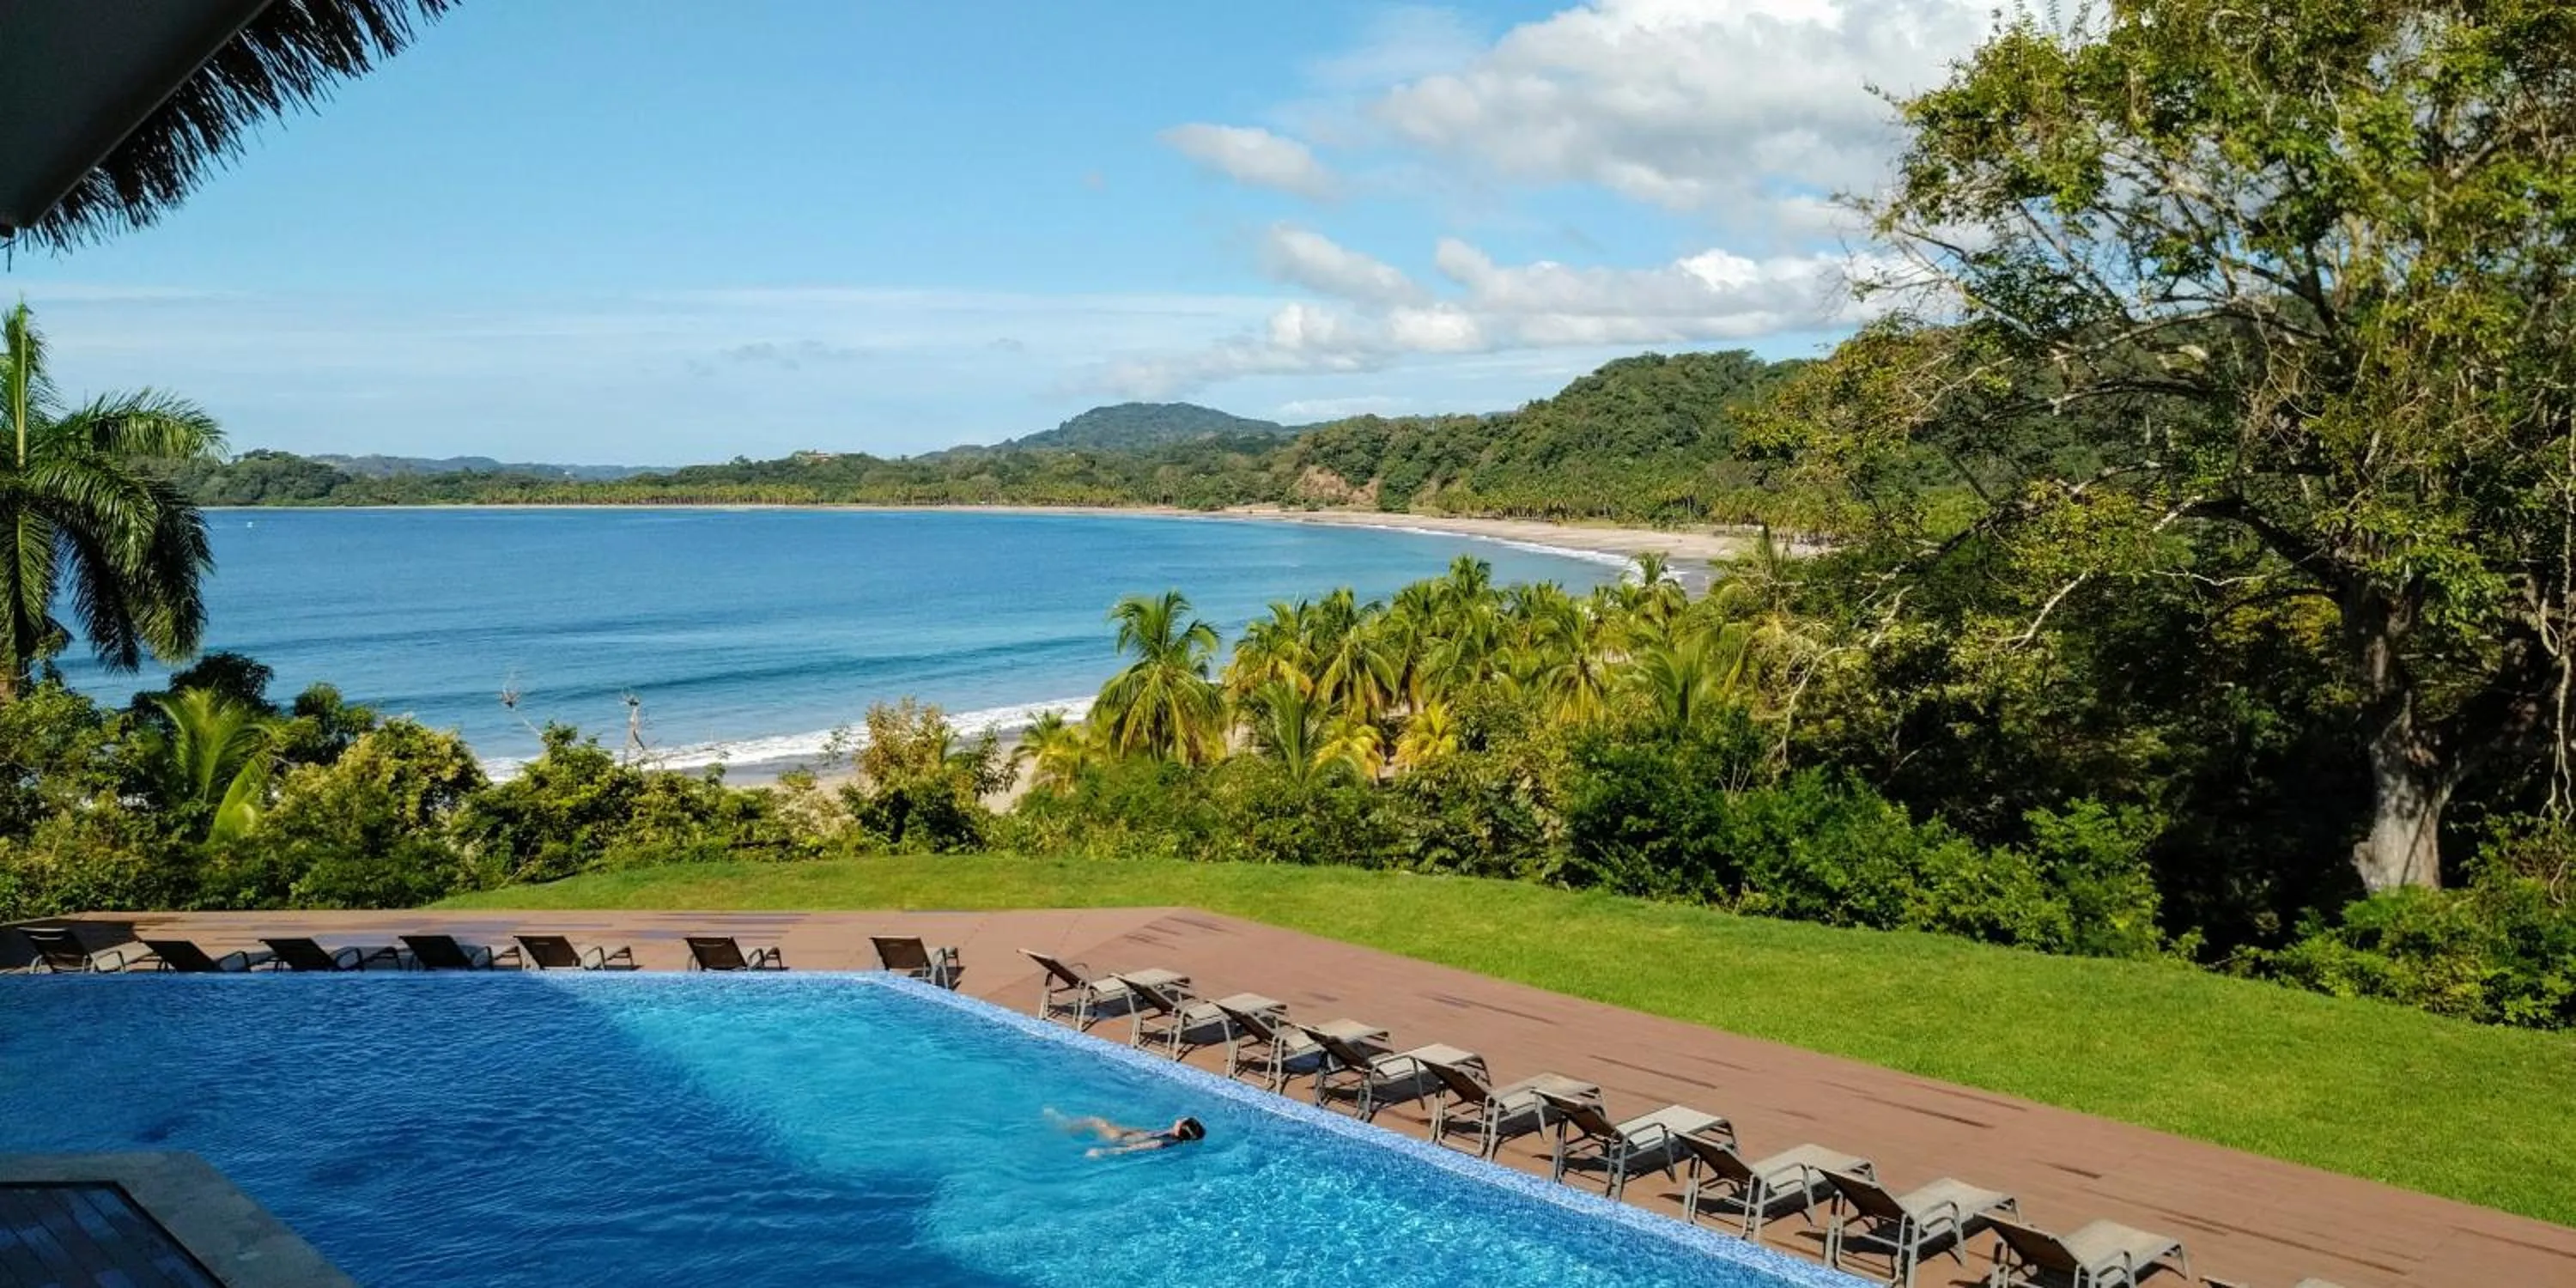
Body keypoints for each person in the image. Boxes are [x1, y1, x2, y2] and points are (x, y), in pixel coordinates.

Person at [1045, 1108, 1207, 1157]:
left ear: (1180, 1128)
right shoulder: (1175, 1137)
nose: (1180, 1118)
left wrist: (1103, 1152)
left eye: (1182, 1120)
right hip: (1127, 1134)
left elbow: (1137, 1147)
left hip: (1118, 1139)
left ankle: (1063, 1125)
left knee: (1095, 1120)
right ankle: (1065, 1124)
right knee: (1104, 1121)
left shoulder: (1163, 1142)